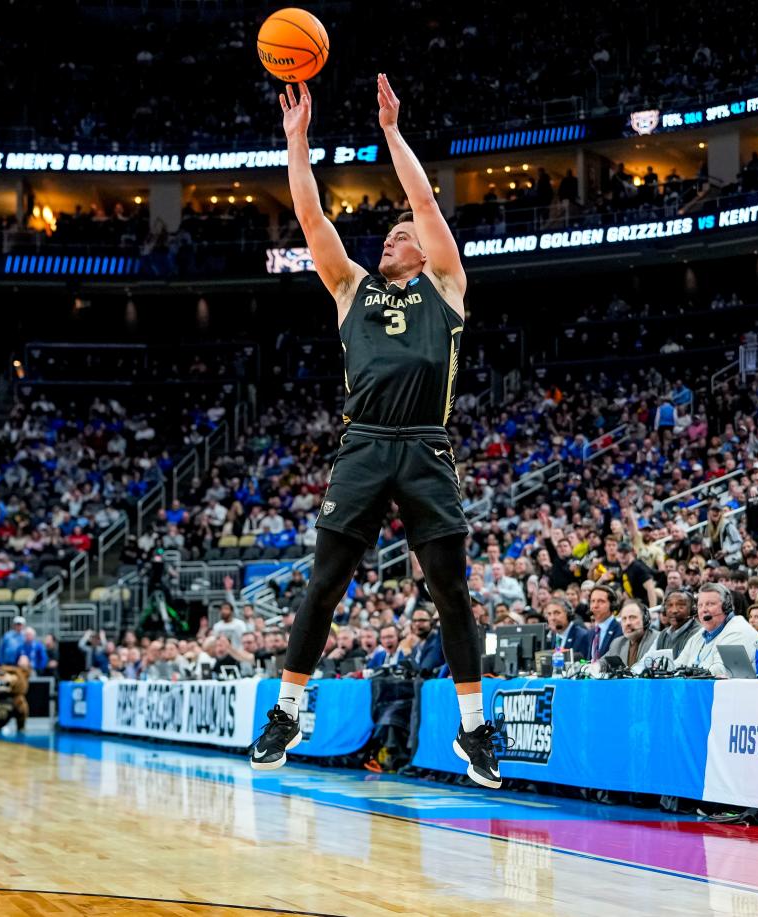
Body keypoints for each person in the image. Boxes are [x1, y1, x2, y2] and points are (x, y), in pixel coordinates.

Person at [250, 75, 500, 789]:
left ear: (424, 249)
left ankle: (474, 730)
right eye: (387, 236)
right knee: (325, 580)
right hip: (364, 442)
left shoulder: (446, 285)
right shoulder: (351, 288)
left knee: (450, 587)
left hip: (426, 442)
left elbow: (424, 201)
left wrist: (392, 133)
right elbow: (310, 218)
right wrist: (297, 142)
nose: (392, 239)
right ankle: (288, 710)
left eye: (401, 236)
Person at [673, 583, 758, 676]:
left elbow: (719, 670)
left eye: (710, 604)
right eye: (700, 605)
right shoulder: (699, 636)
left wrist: (686, 672)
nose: (703, 610)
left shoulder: (739, 630)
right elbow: (677, 665)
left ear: (726, 607)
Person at [605, 599, 658, 670]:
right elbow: (603, 662)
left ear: (645, 620)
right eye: (624, 619)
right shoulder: (617, 643)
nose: (627, 623)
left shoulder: (657, 639)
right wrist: (596, 666)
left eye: (632, 617)